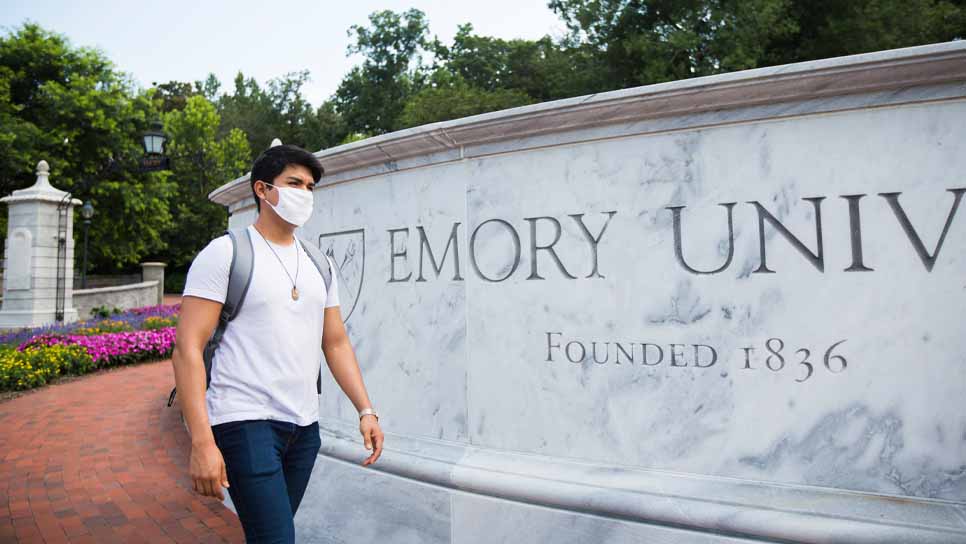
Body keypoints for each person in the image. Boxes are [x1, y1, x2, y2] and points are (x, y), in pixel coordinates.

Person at [170, 143, 384, 543]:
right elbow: (187, 350)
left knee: (271, 534)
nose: (304, 194)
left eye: (310, 186)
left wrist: (365, 410)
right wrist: (201, 442)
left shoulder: (320, 263)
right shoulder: (226, 253)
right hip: (245, 421)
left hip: (304, 429)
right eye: (293, 183)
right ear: (262, 190)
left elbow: (335, 342)